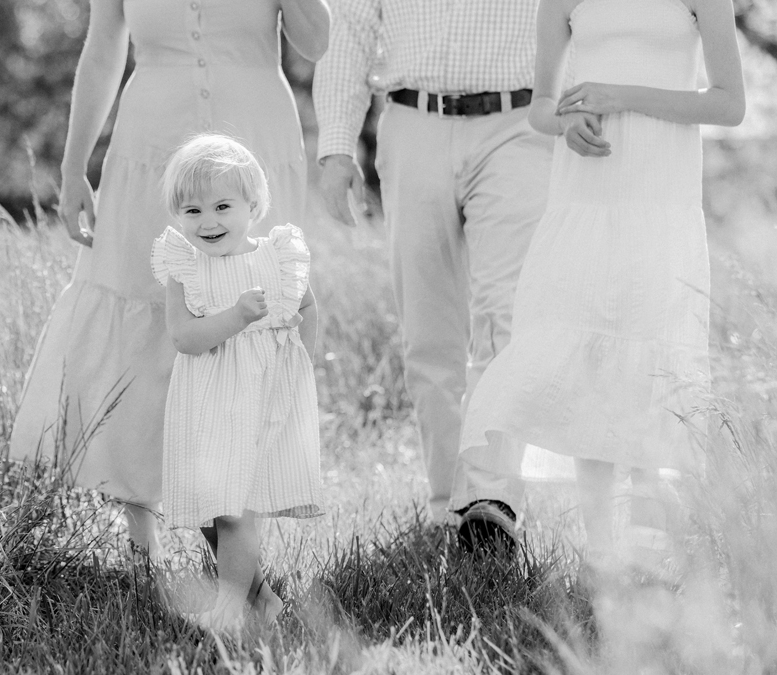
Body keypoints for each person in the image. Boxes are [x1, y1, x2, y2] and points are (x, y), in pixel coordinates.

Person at [8, 0, 329, 560]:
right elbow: (104, 48)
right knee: (144, 312)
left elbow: (317, 42)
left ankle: (236, 536)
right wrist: (72, 167)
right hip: (150, 155)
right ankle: (142, 536)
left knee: (251, 331)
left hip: (254, 152)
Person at [452, 0, 744, 568]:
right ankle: (601, 553)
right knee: (589, 360)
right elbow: (539, 106)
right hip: (586, 191)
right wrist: (565, 121)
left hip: (659, 192)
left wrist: (620, 96)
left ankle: (648, 551)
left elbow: (730, 104)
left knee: (651, 358)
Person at [313, 1, 554, 551]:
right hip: (412, 122)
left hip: (520, 125)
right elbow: (348, 29)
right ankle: (447, 501)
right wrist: (335, 148)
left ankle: (491, 498)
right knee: (428, 328)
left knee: (507, 313)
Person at [150, 135, 323, 630]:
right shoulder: (184, 267)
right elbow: (185, 337)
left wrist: (300, 367)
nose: (208, 222)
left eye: (223, 206)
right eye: (192, 210)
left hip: (260, 403)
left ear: (253, 206)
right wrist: (235, 316)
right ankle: (263, 600)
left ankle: (228, 610)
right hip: (205, 405)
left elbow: (307, 306)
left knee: (235, 513)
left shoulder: (277, 256)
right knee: (212, 513)